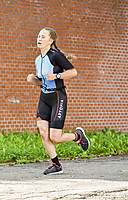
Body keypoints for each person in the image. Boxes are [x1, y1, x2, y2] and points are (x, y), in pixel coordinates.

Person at [27, 27, 90, 175]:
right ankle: (56, 165)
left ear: (51, 40)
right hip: (44, 97)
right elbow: (41, 82)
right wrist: (33, 80)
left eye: (43, 37)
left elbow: (73, 72)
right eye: (38, 36)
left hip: (57, 97)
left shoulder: (56, 56)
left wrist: (57, 76)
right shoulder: (38, 60)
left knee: (55, 137)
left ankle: (78, 136)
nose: (39, 39)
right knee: (43, 132)